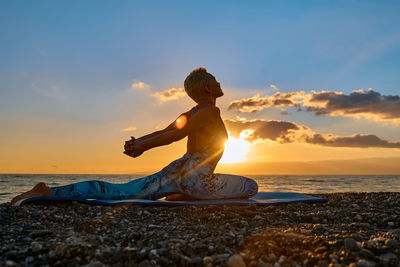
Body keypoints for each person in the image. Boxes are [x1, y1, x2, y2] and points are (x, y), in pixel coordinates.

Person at [11, 68, 258, 204]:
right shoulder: (210, 111)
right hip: (194, 177)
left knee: (122, 191)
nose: (219, 82)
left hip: (176, 171)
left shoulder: (191, 112)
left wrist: (140, 142)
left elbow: (167, 131)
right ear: (207, 88)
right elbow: (175, 134)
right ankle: (186, 191)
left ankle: (51, 192)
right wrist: (143, 146)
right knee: (250, 186)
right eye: (215, 80)